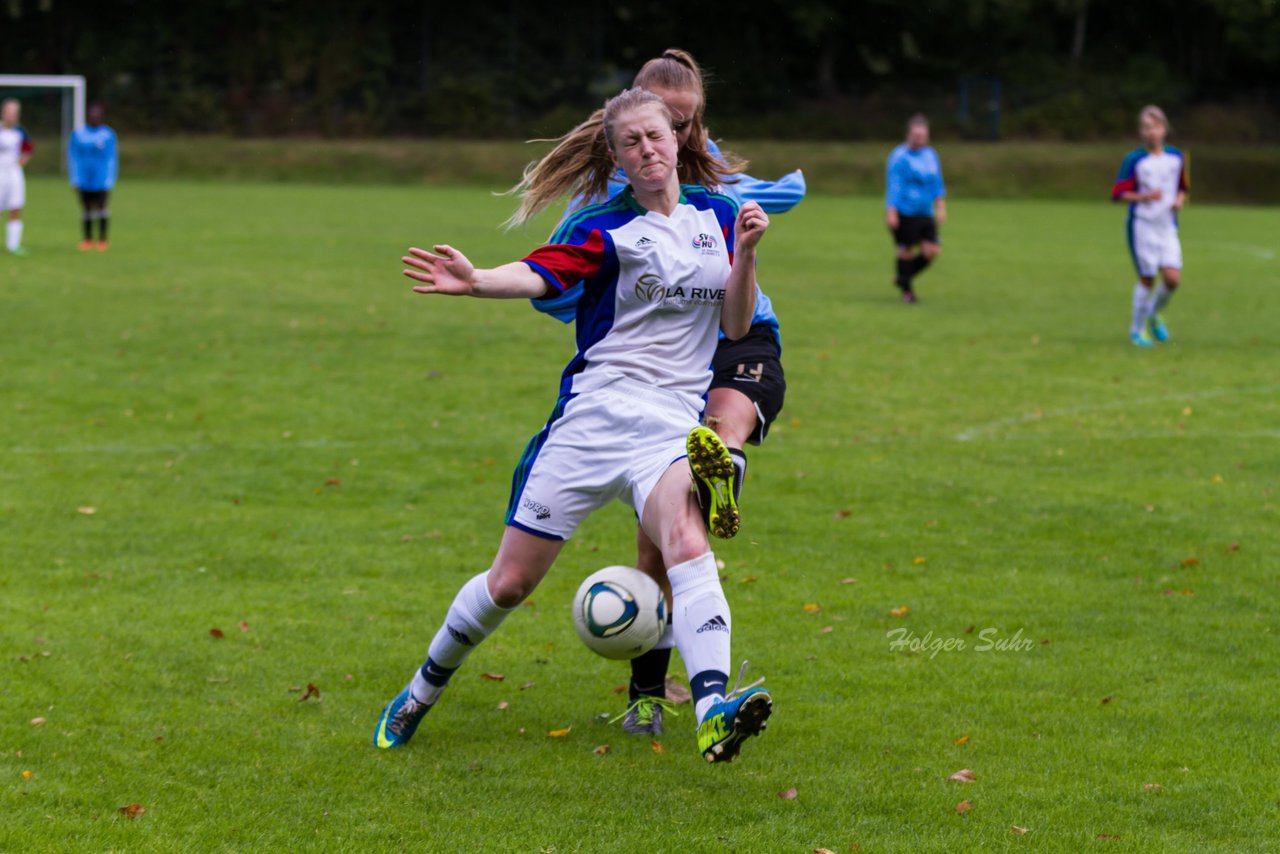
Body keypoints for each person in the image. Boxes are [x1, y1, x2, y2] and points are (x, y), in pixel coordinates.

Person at [374, 87, 774, 764]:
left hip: (671, 429)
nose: (646, 150)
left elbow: (736, 326)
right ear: (616, 156)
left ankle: (712, 709)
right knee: (509, 585)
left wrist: (748, 252)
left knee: (686, 536)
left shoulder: (722, 212)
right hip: (591, 422)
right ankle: (420, 689)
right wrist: (476, 282)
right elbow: (539, 273)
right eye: (631, 143)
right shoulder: (604, 228)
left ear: (677, 139)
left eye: (655, 136)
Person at [514, 49, 803, 736]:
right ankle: (647, 688)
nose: (679, 134)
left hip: (735, 334)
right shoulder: (612, 198)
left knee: (730, 412)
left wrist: (763, 200)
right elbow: (558, 280)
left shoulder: (712, 178)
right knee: (659, 545)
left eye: (688, 122)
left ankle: (723, 460)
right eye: (666, 121)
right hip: (660, 365)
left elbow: (766, 194)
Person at [1111, 105, 1188, 347]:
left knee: (1173, 279)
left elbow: (1182, 187)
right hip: (1142, 226)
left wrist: (1178, 201)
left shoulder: (1176, 157)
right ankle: (1137, 330)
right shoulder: (1134, 160)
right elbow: (1117, 193)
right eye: (1146, 128)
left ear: (1164, 129)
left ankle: (1153, 314)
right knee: (1147, 278)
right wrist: (1143, 197)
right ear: (1141, 132)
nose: (1151, 132)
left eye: (1155, 127)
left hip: (1167, 227)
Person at [885, 114, 946, 303]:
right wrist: (891, 211)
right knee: (906, 250)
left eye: (923, 136)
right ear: (908, 134)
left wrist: (941, 206)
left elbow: (937, 182)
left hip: (925, 211)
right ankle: (907, 293)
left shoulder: (930, 155)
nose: (919, 139)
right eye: (916, 135)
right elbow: (894, 185)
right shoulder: (899, 157)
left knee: (932, 250)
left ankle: (903, 277)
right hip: (905, 211)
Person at [68, 102, 118, 251]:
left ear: (102, 117)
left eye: (97, 115)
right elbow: (73, 157)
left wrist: (110, 178)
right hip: (84, 178)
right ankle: (87, 239)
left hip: (101, 178)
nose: (94, 117)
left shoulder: (108, 134)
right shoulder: (78, 134)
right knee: (86, 209)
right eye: (92, 115)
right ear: (87, 116)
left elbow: (112, 158)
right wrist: (75, 178)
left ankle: (103, 239)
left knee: (102, 208)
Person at [0, 98, 34, 256]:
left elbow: (28, 149)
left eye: (14, 113)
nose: (11, 115)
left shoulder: (21, 131)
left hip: (14, 173)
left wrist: (19, 163)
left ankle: (13, 245)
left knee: (15, 206)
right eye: (8, 112)